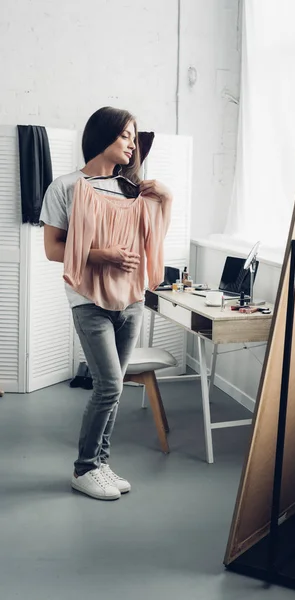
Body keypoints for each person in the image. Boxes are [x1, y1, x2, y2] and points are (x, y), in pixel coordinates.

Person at [40, 107, 172, 501]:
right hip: (88, 300)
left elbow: (153, 237)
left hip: (130, 300)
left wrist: (164, 198)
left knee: (113, 389)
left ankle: (101, 463)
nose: (133, 144)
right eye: (127, 136)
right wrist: (103, 255)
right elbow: (52, 249)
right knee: (110, 385)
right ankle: (84, 468)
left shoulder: (131, 191)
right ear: (104, 136)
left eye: (134, 137)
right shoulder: (65, 187)